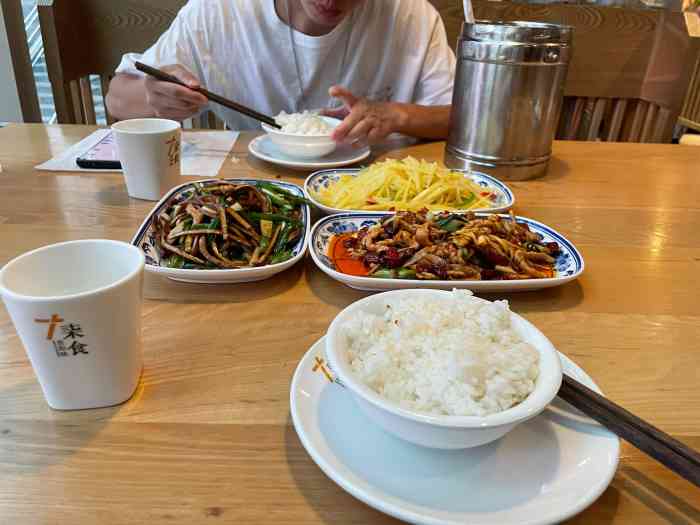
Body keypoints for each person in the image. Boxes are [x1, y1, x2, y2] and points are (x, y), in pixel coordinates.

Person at [106, 0, 455, 145]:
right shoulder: (218, 12)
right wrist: (154, 96)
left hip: (380, 201)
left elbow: (459, 120)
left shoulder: (410, 14)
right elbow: (118, 98)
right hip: (258, 187)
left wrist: (396, 114)